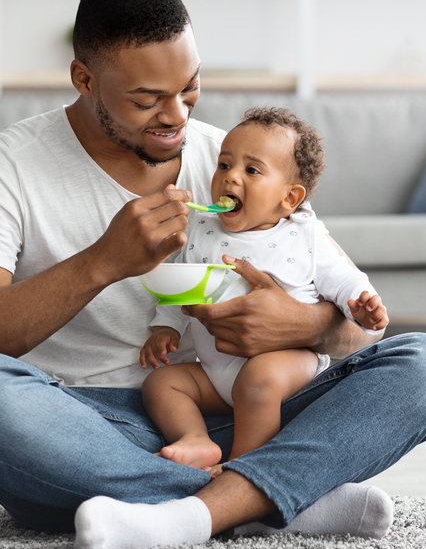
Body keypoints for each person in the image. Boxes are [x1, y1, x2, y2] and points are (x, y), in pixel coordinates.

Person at [0, 0, 426, 549]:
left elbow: (358, 321)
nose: (176, 116)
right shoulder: (7, 168)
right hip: (85, 430)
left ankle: (188, 508)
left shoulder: (236, 159)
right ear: (84, 79)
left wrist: (300, 325)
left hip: (245, 415)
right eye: (147, 99)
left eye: (190, 88)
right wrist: (102, 263)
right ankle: (270, 499)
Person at [141, 107, 389, 477]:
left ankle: (243, 472)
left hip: (287, 367)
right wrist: (166, 329)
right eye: (224, 165)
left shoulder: (304, 235)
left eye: (251, 171)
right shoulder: (202, 228)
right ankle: (196, 438)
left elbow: (343, 279)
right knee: (162, 383)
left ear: (289, 198)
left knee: (259, 380)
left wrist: (362, 304)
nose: (231, 178)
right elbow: (184, 284)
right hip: (216, 375)